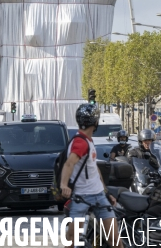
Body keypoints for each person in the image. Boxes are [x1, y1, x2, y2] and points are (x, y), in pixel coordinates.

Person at [60, 103, 124, 248]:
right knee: (72, 239)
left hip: (99, 196)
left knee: (114, 240)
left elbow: (94, 169)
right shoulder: (80, 142)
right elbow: (69, 164)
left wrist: (106, 193)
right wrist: (64, 185)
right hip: (82, 197)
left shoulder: (87, 141)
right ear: (96, 122)